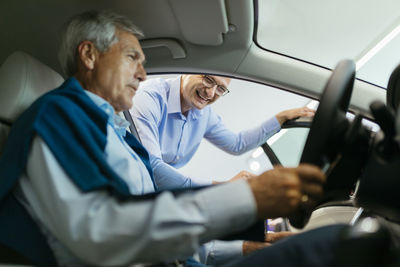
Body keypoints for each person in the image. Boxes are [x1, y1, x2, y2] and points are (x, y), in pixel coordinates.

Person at [0, 10, 344, 267]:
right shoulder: (59, 115)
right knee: (332, 245)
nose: (143, 73)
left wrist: (250, 245)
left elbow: (150, 232)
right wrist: (246, 198)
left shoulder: (113, 133)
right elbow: (105, 234)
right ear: (89, 55)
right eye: (133, 56)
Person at [130, 75, 315, 190]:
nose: (210, 93)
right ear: (189, 69)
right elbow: (152, 166)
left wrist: (280, 118)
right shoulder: (148, 97)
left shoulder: (203, 113)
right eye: (208, 80)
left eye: (220, 89)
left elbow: (237, 144)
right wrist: (221, 187)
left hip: (159, 195)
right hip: (131, 188)